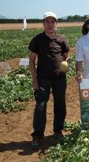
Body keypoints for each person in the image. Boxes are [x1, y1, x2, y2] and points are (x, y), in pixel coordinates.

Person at [29, 11, 70, 149]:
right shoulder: (37, 39)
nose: (50, 24)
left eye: (53, 21)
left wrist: (66, 63)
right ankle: (37, 135)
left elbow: (66, 56)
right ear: (43, 23)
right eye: (47, 21)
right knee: (40, 106)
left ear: (56, 24)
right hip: (42, 79)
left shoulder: (62, 39)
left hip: (60, 79)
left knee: (60, 105)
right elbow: (31, 61)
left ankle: (58, 131)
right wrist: (34, 79)